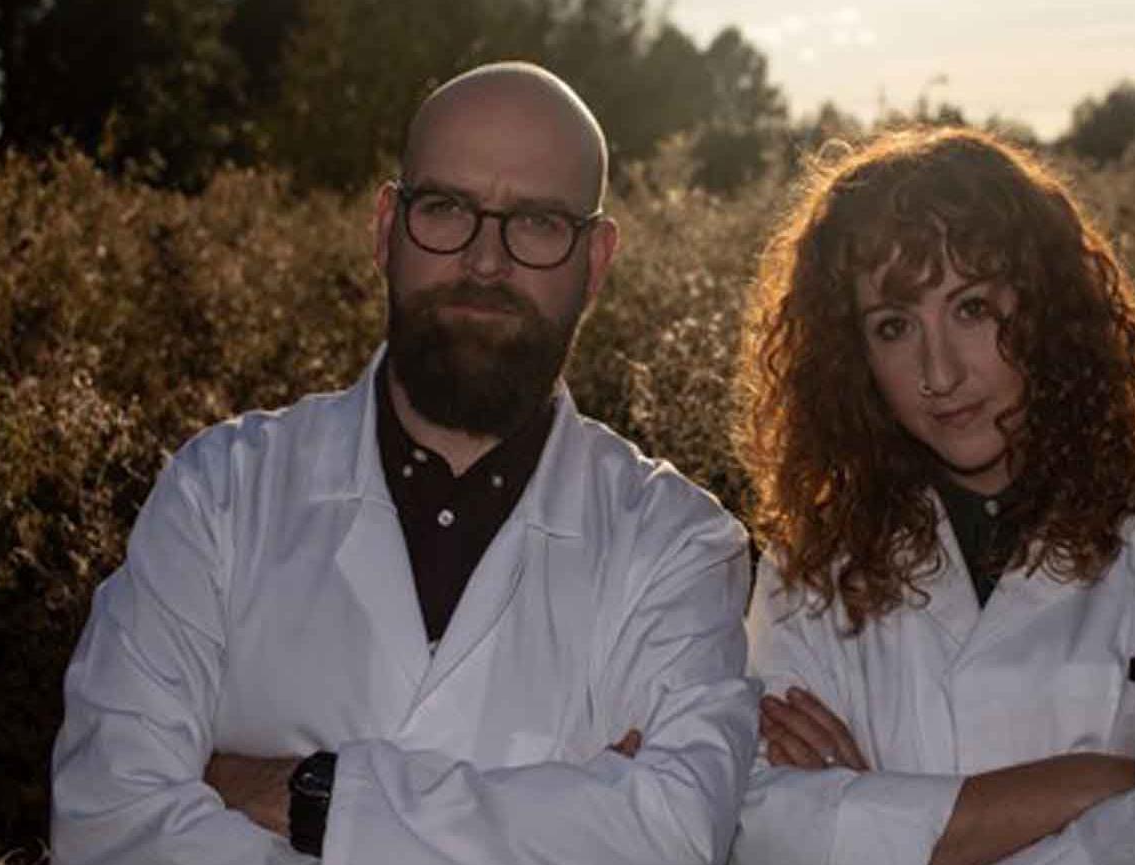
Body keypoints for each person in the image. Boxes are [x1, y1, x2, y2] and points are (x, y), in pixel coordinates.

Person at [50, 62, 758, 865]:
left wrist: (308, 798)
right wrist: (569, 814)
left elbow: (672, 832)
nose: (486, 262)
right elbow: (104, 822)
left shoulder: (677, 545)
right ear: (387, 226)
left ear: (595, 261)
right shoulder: (219, 493)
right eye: (447, 208)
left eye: (537, 223)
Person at [730, 127, 1135, 865]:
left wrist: (880, 824)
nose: (939, 372)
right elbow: (761, 827)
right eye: (894, 326)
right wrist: (1084, 783)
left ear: (1045, 305)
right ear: (852, 355)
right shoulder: (815, 564)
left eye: (971, 309)